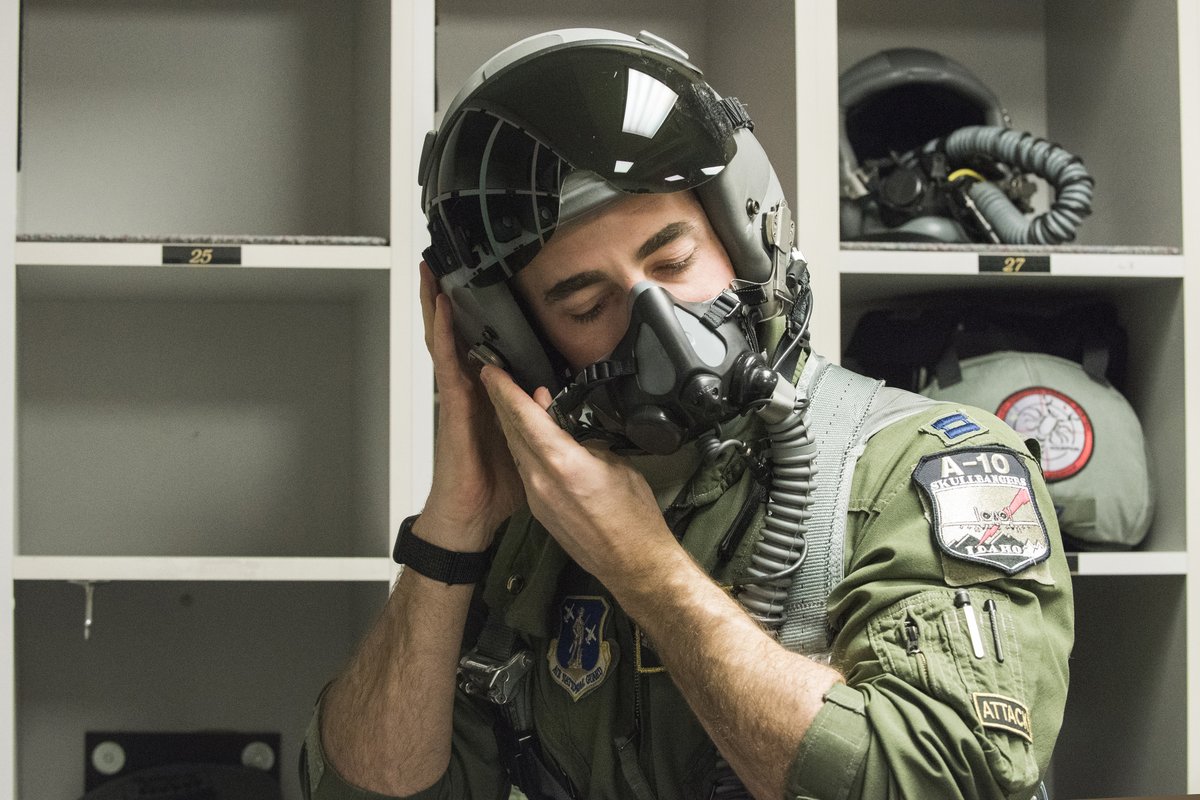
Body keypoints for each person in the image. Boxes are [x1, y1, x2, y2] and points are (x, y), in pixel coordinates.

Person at [300, 28, 1073, 800]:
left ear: (743, 233)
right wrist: (454, 531)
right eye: (589, 303)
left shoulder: (928, 470)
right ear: (524, 344)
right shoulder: (535, 529)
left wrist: (646, 571)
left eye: (673, 262)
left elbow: (951, 785)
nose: (661, 322)